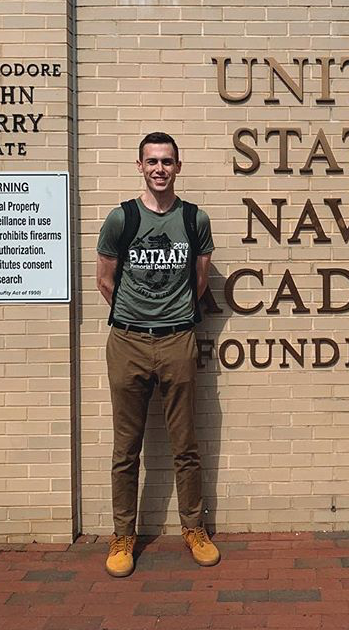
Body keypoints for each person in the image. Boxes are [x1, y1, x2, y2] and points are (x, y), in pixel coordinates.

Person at [95, 131, 219, 577]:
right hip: (127, 342)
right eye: (152, 161)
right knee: (126, 449)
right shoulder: (121, 219)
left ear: (178, 167)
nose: (159, 169)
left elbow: (199, 282)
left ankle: (194, 528)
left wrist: (168, 317)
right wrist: (137, 317)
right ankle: (123, 536)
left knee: (185, 445)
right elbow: (105, 280)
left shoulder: (193, 220)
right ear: (140, 166)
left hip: (177, 341)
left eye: (167, 161)